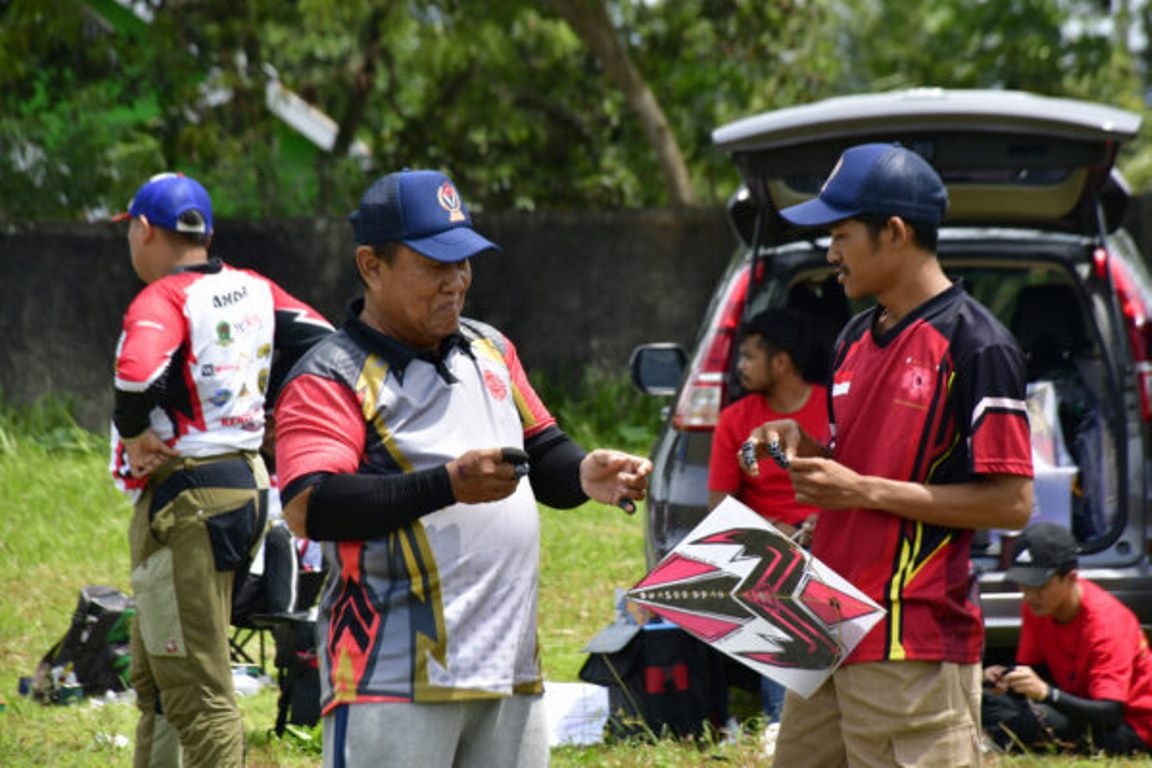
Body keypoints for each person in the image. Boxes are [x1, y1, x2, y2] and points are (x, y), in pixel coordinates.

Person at [273, 168, 653, 767]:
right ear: (371, 265)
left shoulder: (490, 349)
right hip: (391, 680)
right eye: (434, 265)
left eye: (464, 262)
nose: (456, 282)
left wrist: (586, 473)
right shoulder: (331, 375)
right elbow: (310, 506)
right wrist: (446, 486)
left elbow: (543, 451)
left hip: (510, 671)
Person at [743, 143, 1035, 767]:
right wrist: (806, 451)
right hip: (822, 620)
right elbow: (861, 466)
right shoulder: (852, 338)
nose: (830, 254)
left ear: (894, 233)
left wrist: (861, 490)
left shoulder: (976, 344)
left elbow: (1012, 502)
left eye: (841, 235)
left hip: (911, 639)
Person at [109, 172, 333, 767]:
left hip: (190, 499)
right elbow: (325, 342)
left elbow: (134, 374)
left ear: (144, 229)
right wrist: (269, 413)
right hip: (244, 487)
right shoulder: (255, 287)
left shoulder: (162, 297)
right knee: (158, 677)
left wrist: (134, 433)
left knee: (197, 691)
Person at [707, 307, 830, 724]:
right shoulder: (734, 420)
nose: (740, 367)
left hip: (832, 534)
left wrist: (820, 524)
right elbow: (720, 507)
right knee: (781, 583)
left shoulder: (833, 409)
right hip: (767, 545)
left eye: (748, 357)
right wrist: (774, 530)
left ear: (781, 362)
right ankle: (783, 720)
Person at [982, 522, 1152, 756]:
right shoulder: (1038, 607)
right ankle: (1001, 737)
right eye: (1024, 585)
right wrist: (1005, 677)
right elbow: (1036, 673)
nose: (1030, 596)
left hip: (1129, 724)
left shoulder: (1105, 622)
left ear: (1070, 578)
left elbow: (1110, 713)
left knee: (1041, 719)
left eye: (1040, 586)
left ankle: (997, 741)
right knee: (982, 699)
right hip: (1075, 706)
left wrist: (1047, 694)